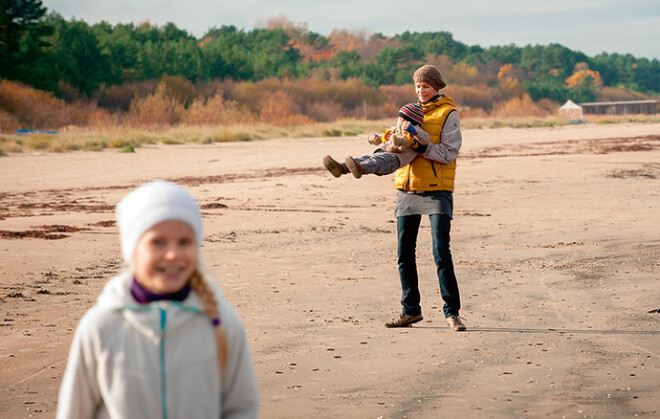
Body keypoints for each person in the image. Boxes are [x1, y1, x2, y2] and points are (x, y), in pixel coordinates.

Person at [57, 180, 260, 419]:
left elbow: (241, 409)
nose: (173, 254)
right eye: (157, 242)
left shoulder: (221, 322)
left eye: (184, 241)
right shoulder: (101, 326)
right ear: (132, 249)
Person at [384, 64, 466, 331]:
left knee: (440, 251)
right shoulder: (407, 113)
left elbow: (447, 153)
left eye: (426, 86)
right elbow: (395, 142)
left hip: (437, 189)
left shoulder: (448, 114)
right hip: (407, 188)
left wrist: (421, 145)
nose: (421, 90)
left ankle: (452, 313)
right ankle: (410, 311)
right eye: (418, 86)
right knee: (404, 254)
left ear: (436, 87)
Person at [322, 103, 430, 179]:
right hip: (381, 152)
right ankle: (341, 168)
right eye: (400, 118)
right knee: (365, 158)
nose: (401, 121)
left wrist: (412, 129)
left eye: (405, 119)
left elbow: (425, 139)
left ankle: (361, 168)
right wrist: (374, 139)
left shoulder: (416, 132)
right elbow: (384, 139)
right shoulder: (395, 130)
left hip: (395, 159)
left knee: (376, 162)